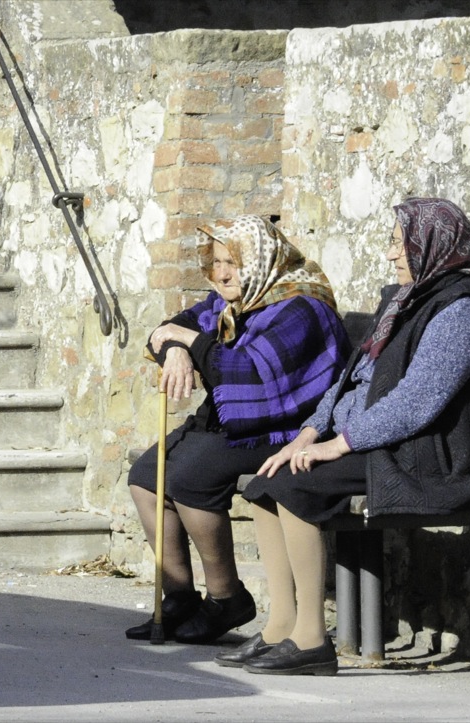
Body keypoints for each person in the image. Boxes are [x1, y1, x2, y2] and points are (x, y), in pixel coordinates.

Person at [230, 198, 470, 676]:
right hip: (379, 441)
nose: (392, 254)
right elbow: (349, 381)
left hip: (426, 455)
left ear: (431, 245)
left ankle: (311, 640)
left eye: (400, 244)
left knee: (294, 487)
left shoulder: (461, 310)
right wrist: (310, 432)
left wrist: (339, 444)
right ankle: (282, 625)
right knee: (265, 484)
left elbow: (417, 402)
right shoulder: (406, 299)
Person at [127, 216, 348, 644]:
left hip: (286, 429)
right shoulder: (231, 302)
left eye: (234, 263)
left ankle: (227, 597)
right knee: (145, 477)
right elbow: (172, 328)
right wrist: (176, 351)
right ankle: (180, 597)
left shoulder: (300, 307)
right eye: (217, 262)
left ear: (262, 262)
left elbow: (246, 373)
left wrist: (190, 342)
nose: (222, 274)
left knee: (190, 476)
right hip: (235, 422)